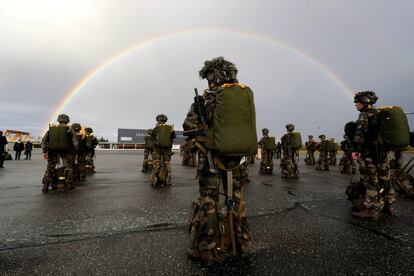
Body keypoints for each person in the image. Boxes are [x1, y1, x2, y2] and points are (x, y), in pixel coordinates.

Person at [185, 57, 255, 265]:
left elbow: (189, 125)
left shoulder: (207, 98)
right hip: (238, 161)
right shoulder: (243, 96)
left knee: (209, 202)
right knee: (236, 200)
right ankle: (243, 246)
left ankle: (208, 251)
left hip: (211, 161)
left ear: (211, 78)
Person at [345, 91, 396, 219]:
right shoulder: (380, 114)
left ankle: (371, 210)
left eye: (357, 102)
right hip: (383, 153)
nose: (356, 104)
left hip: (370, 154)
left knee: (371, 180)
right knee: (385, 179)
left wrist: (355, 150)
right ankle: (389, 206)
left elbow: (359, 137)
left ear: (364, 103)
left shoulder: (364, 115)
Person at [41, 114, 77, 192]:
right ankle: (70, 184)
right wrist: (74, 151)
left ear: (59, 120)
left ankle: (45, 186)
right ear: (67, 120)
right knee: (67, 167)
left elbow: (43, 140)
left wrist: (44, 151)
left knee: (50, 168)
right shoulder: (69, 129)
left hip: (52, 150)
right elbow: (75, 142)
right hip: (65, 151)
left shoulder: (51, 129)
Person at [150, 114, 175, 186]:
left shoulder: (156, 128)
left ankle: (154, 181)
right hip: (167, 150)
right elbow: (173, 137)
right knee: (167, 165)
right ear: (165, 120)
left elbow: (151, 137)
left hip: (157, 150)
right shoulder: (169, 128)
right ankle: (168, 181)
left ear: (158, 120)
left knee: (156, 164)